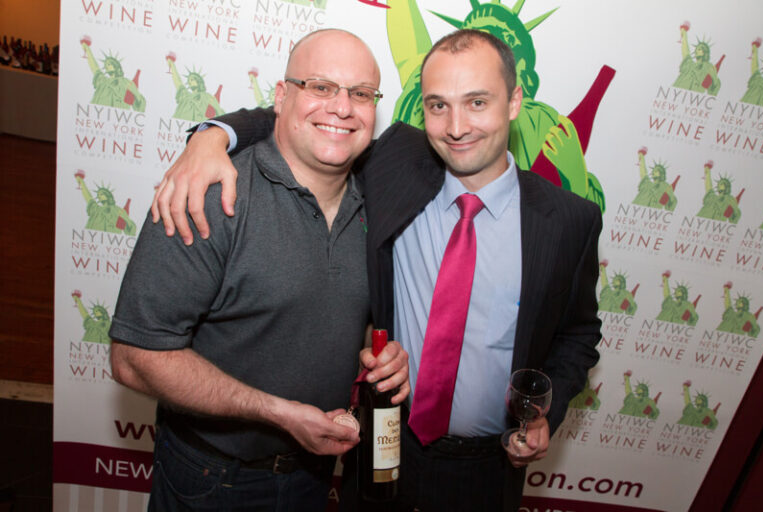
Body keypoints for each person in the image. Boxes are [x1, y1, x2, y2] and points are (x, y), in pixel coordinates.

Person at [153, 29, 601, 511]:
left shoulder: (568, 222)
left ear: (513, 102)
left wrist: (545, 413)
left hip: (488, 470)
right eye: (438, 105)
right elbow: (308, 118)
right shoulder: (396, 163)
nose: (456, 127)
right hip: (383, 445)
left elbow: (578, 335)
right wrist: (213, 136)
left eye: (477, 102)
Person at [108, 29, 408, 512]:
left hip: (313, 475)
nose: (342, 108)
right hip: (213, 480)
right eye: (321, 87)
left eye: (361, 93)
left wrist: (380, 357)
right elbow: (134, 356)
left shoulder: (379, 198)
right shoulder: (210, 193)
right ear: (282, 96)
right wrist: (277, 413)